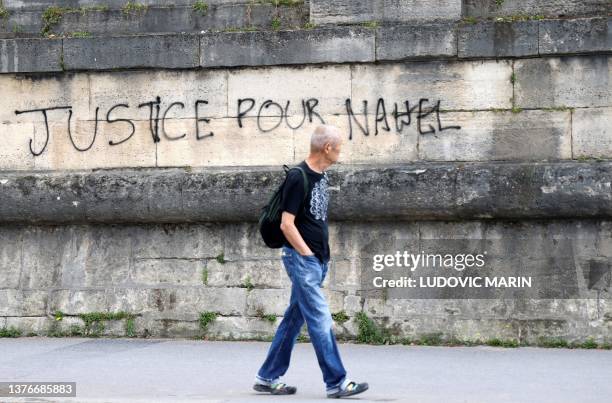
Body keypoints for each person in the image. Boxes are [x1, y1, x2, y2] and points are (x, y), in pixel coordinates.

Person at [252, 124, 369, 398]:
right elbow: (286, 224)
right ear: (327, 148)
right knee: (319, 318)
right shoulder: (298, 176)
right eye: (339, 147)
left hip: (317, 261)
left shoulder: (321, 176)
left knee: (294, 319)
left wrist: (321, 256)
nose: (341, 151)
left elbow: (313, 220)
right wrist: (306, 254)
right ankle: (337, 382)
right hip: (302, 260)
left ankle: (267, 376)